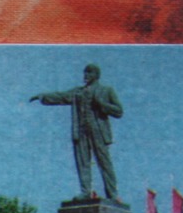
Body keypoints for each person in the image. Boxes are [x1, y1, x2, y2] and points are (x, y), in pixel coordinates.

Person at [30, 63, 124, 200]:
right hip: (80, 131)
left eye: (89, 73)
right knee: (82, 162)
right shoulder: (77, 92)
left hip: (98, 130)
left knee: (104, 162)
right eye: (84, 73)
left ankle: (112, 194)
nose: (85, 76)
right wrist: (42, 97)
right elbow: (60, 96)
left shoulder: (106, 90)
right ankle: (86, 192)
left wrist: (102, 104)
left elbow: (119, 111)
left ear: (96, 75)